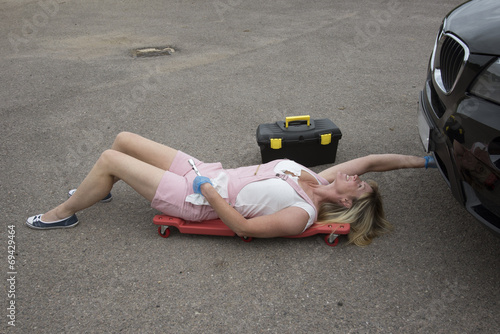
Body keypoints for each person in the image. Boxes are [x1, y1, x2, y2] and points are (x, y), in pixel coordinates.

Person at [26, 132, 436, 246]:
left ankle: (63, 215)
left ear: (346, 202)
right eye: (358, 178)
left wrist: (209, 193)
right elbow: (373, 161)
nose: (356, 175)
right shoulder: (322, 181)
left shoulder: (302, 215)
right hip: (206, 172)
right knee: (124, 139)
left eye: (359, 185)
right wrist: (427, 162)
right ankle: (100, 189)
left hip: (195, 197)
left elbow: (244, 228)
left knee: (110, 159)